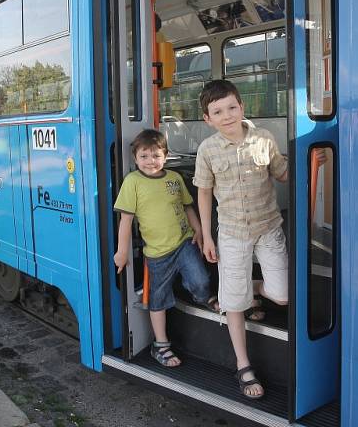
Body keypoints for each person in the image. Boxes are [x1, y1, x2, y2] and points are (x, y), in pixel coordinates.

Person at [193, 79, 288, 400]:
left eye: (232, 107)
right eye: (218, 111)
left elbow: (282, 173)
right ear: (208, 119)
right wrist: (207, 235)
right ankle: (243, 364)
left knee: (283, 294)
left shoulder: (264, 139)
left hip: (268, 227)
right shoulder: (207, 149)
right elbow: (203, 194)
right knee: (234, 302)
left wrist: (313, 158)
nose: (227, 115)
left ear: (242, 106)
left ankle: (253, 288)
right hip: (232, 233)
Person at [113, 129, 218, 368]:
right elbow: (126, 221)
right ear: (135, 158)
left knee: (201, 280)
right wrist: (121, 252)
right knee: (158, 300)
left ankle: (203, 297)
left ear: (166, 156)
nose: (151, 161)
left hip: (184, 242)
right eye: (144, 156)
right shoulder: (133, 182)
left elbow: (188, 207)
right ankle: (160, 345)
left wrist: (199, 230)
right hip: (157, 254)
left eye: (156, 156)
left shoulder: (174, 178)